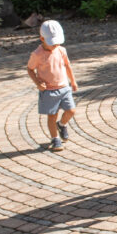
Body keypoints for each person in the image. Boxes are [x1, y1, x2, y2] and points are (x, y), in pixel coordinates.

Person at [27, 20, 78, 152]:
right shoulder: (37, 54)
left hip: (64, 87)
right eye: (52, 43)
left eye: (57, 42)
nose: (56, 45)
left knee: (71, 110)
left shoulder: (61, 50)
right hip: (49, 90)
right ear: (42, 39)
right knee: (52, 115)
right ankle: (55, 139)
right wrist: (38, 83)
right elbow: (30, 69)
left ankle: (61, 124)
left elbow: (67, 65)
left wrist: (73, 81)